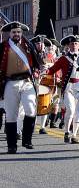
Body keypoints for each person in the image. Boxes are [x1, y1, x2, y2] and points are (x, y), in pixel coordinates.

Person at [1, 22, 43, 153]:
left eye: (18, 32)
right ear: (9, 33)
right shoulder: (3, 47)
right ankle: (11, 145)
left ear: (21, 33)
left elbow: (37, 62)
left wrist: (37, 69)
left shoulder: (28, 45)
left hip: (27, 82)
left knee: (31, 110)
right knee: (11, 115)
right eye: (14, 32)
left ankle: (27, 140)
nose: (16, 34)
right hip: (10, 82)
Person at [47, 35, 79, 143]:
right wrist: (44, 70)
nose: (74, 45)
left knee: (78, 112)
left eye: (76, 43)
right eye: (71, 44)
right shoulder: (63, 58)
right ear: (68, 45)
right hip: (68, 87)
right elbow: (52, 69)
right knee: (71, 110)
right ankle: (66, 132)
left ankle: (74, 135)